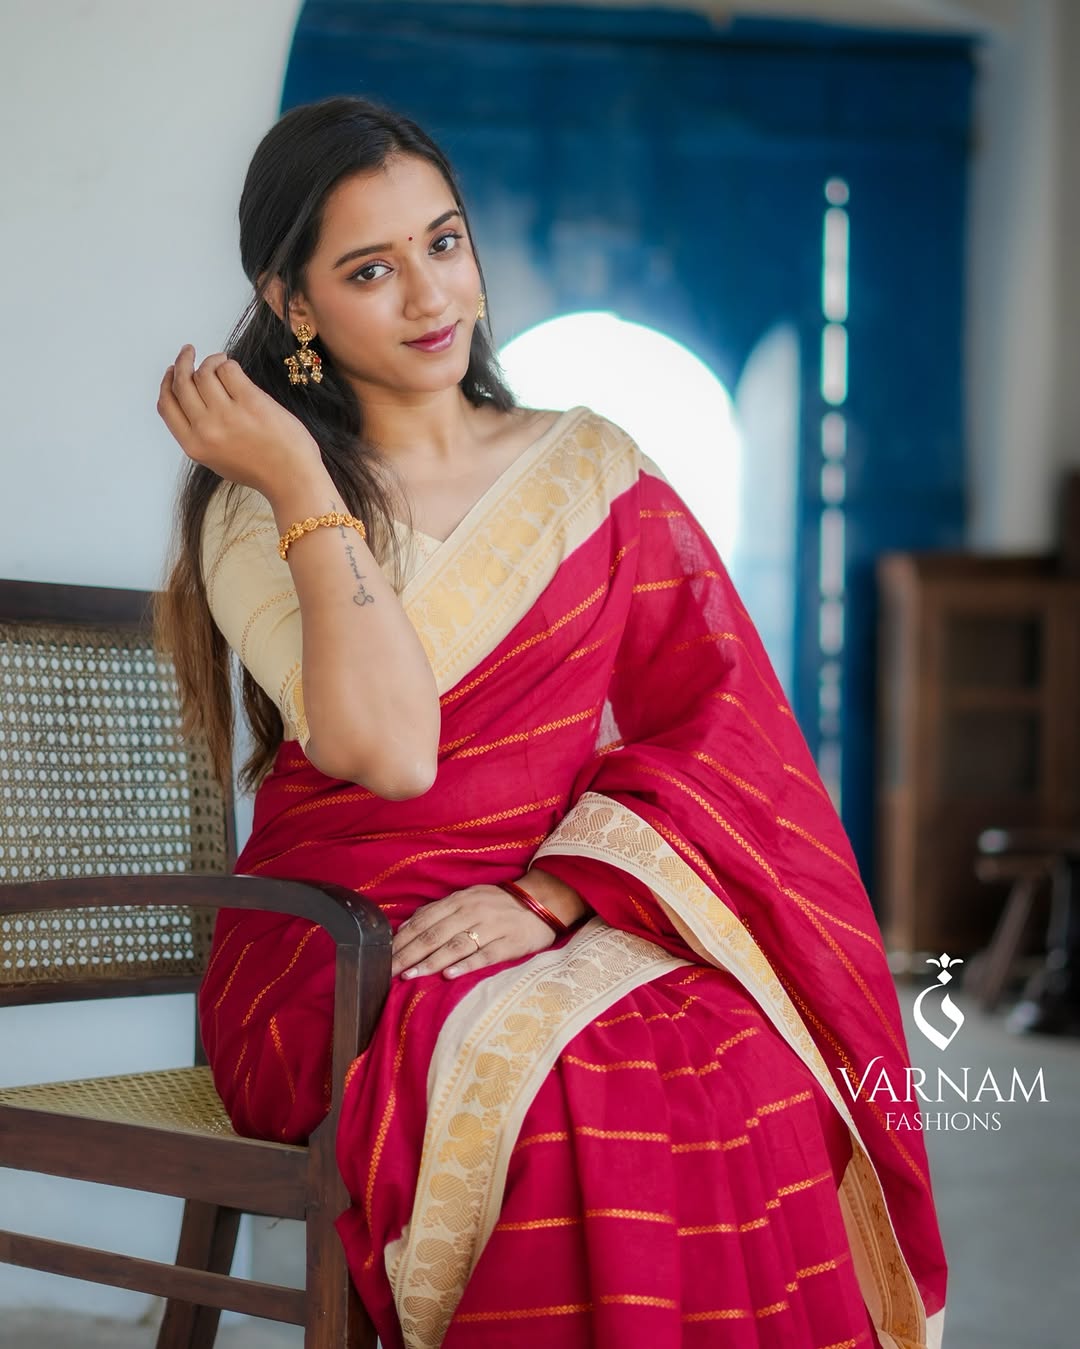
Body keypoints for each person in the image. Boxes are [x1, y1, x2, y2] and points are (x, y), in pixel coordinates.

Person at [156, 95, 947, 1348]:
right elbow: (395, 752)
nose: (429, 296)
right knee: (578, 1084)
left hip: (542, 900)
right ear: (296, 306)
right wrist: (310, 481)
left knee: (740, 1048)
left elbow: (718, 724)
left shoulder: (588, 467)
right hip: (344, 944)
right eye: (371, 269)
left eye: (444, 242)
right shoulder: (258, 507)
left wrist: (555, 894)